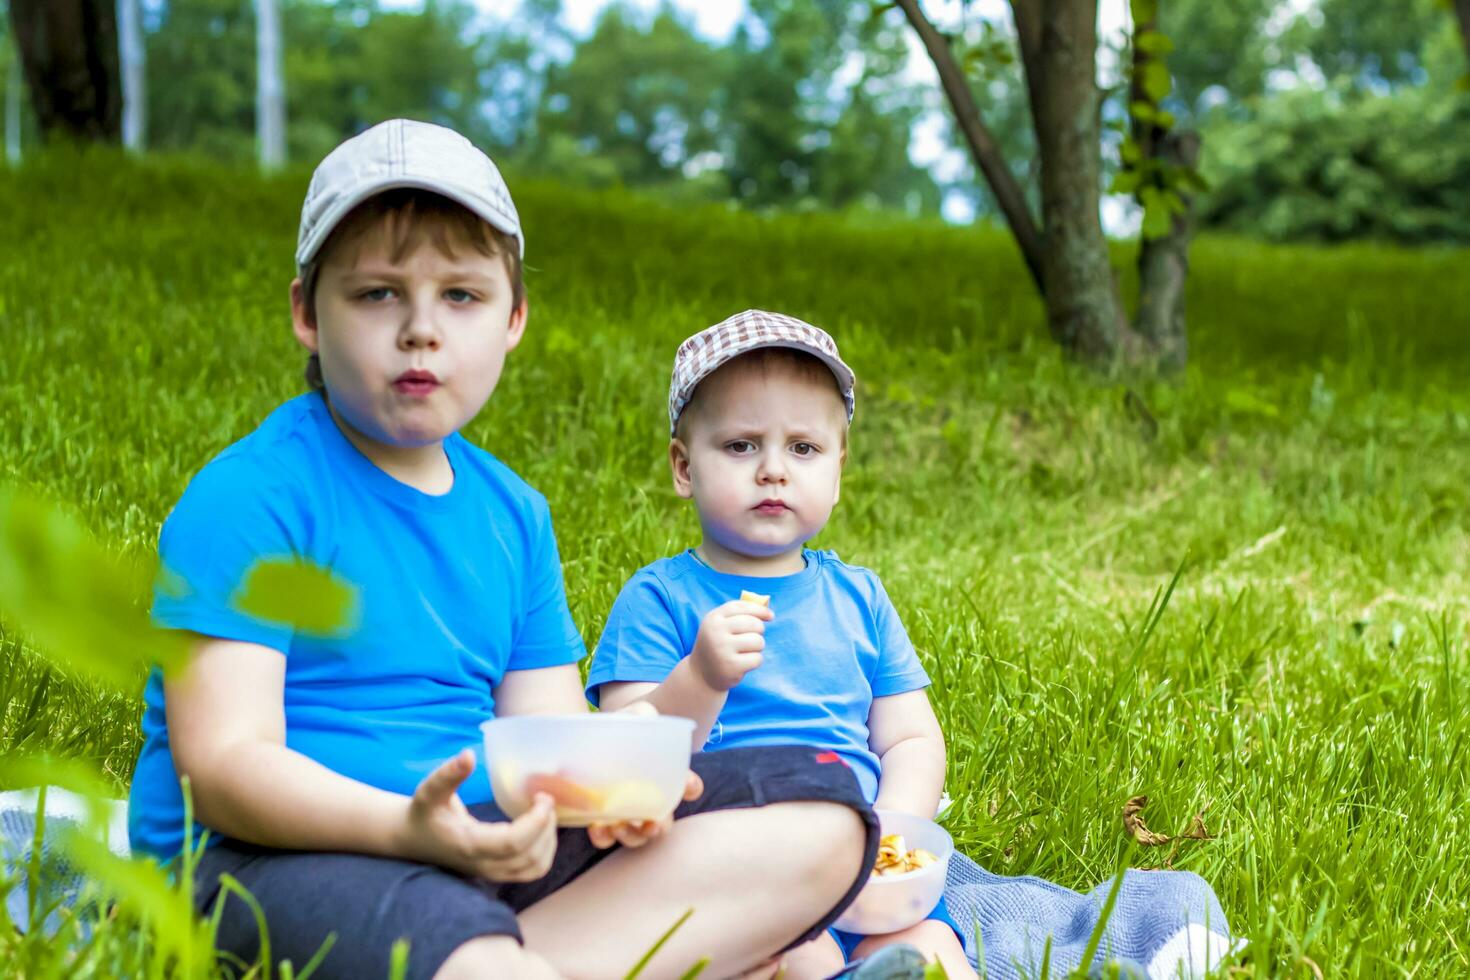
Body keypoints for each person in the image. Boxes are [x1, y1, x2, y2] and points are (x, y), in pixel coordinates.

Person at [126, 121, 878, 980]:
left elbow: (548, 746)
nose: (420, 330)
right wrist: (406, 830)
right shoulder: (253, 496)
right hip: (260, 862)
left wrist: (610, 797)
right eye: (377, 294)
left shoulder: (513, 513)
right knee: (463, 943)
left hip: (476, 851)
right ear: (306, 311)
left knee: (826, 813)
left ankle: (523, 962)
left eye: (462, 296)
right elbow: (222, 770)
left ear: (513, 319)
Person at [588, 311, 976, 979]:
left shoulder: (860, 599)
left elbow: (911, 738)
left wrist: (890, 829)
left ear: (839, 467)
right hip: (738, 868)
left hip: (864, 868)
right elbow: (626, 763)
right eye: (741, 446)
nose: (773, 471)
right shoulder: (659, 599)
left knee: (934, 955)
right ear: (684, 467)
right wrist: (702, 677)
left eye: (803, 448)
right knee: (796, 956)